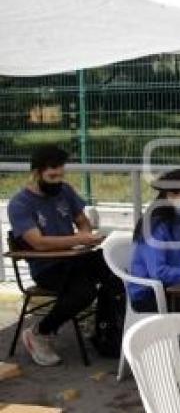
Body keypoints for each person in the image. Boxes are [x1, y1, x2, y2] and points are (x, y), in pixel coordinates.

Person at [8, 144, 118, 366]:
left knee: (115, 272)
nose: (57, 180)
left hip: (75, 258)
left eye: (61, 174)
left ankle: (106, 332)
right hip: (47, 267)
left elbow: (82, 222)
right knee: (84, 292)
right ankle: (39, 332)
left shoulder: (64, 190)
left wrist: (88, 237)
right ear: (36, 173)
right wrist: (79, 240)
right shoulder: (20, 204)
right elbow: (38, 243)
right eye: (52, 176)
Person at [129, 169, 180, 387]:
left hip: (176, 287)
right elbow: (160, 273)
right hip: (149, 293)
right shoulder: (155, 227)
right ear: (170, 196)